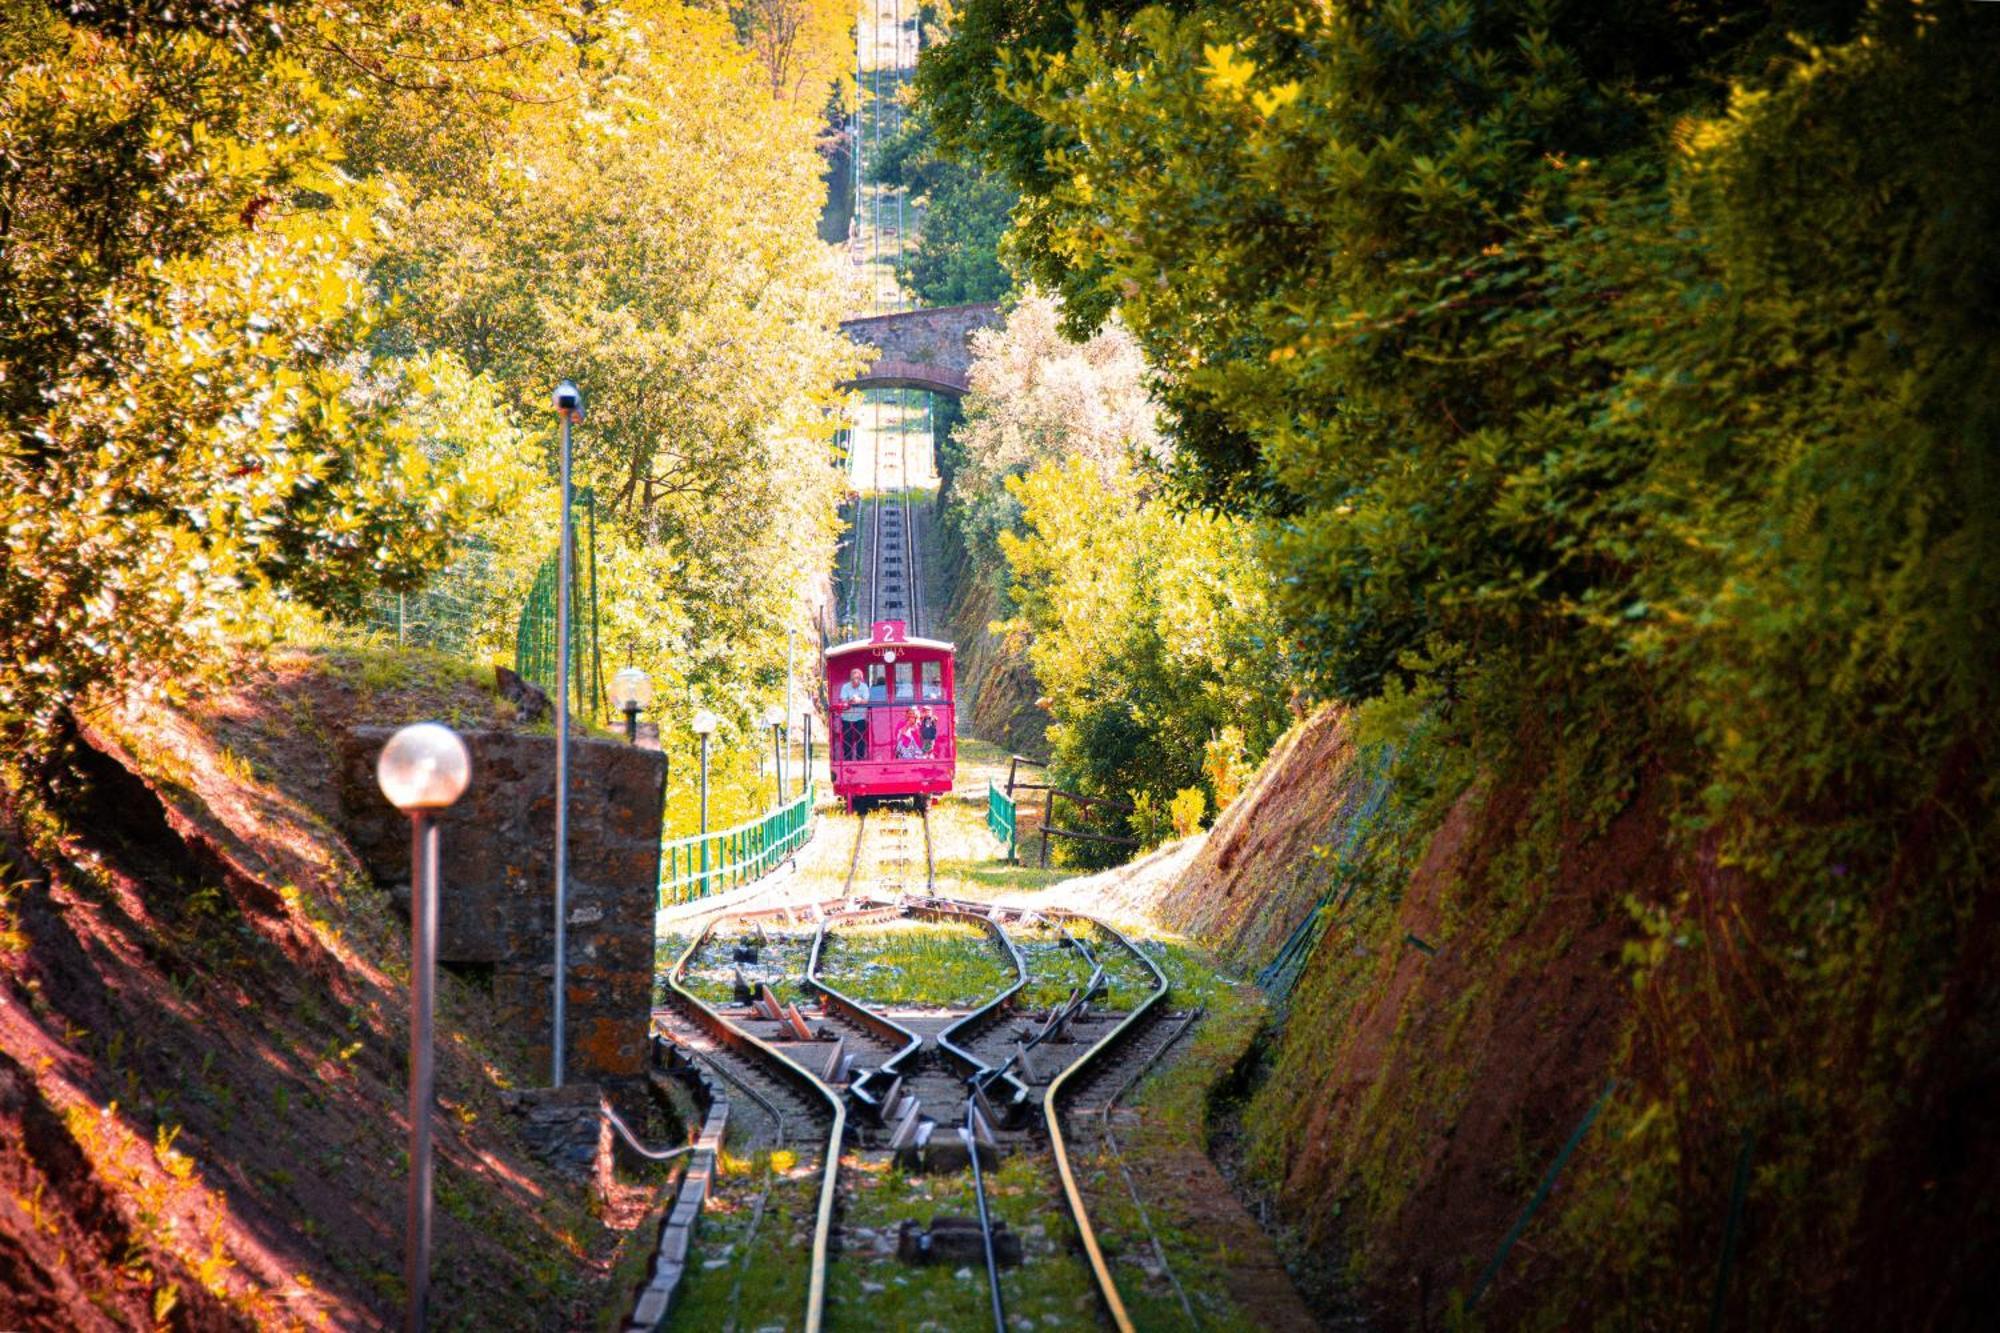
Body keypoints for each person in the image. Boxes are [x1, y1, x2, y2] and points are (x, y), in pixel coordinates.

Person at [838, 667, 870, 761]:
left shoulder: (864, 687)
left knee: (861, 738)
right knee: (847, 738)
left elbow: (866, 700)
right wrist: (850, 701)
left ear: (861, 679)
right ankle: (847, 759)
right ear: (850, 679)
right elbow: (843, 700)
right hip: (847, 717)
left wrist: (859, 700)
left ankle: (860, 758)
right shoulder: (845, 687)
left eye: (857, 678)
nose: (855, 681)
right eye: (853, 679)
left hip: (860, 717)